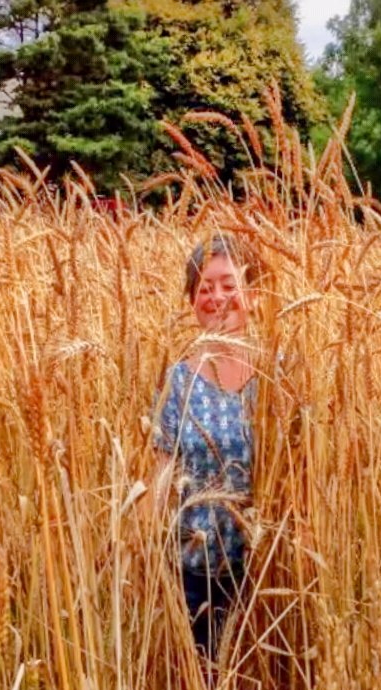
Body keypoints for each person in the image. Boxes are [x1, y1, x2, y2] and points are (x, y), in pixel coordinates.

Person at [149, 233, 260, 662]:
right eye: (204, 288)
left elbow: (302, 471)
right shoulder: (177, 381)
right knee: (203, 688)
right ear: (191, 301)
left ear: (252, 293)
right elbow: (163, 469)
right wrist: (135, 543)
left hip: (265, 575)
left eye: (229, 285)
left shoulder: (278, 374)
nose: (217, 297)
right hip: (192, 576)